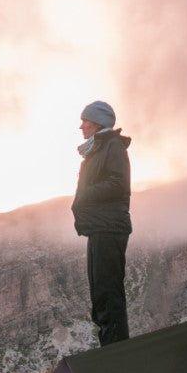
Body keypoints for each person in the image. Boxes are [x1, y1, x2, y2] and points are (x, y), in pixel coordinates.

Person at [71, 100, 132, 346]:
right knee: (100, 293)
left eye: (85, 121)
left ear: (97, 123)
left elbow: (118, 184)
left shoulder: (113, 146)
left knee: (108, 291)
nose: (81, 126)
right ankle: (110, 349)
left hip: (109, 227)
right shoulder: (96, 150)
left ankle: (117, 352)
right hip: (99, 227)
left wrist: (84, 195)